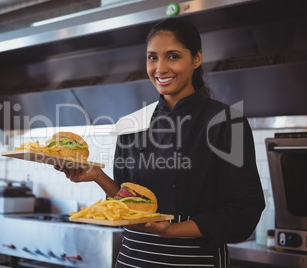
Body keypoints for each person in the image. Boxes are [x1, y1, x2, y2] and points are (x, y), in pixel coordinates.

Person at [56, 17, 265, 268]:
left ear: (196, 58)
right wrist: (98, 176)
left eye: (173, 56)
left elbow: (243, 212)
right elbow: (127, 202)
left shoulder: (226, 122)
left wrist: (171, 230)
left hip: (193, 261)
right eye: (152, 57)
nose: (160, 68)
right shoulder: (133, 124)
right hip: (133, 258)